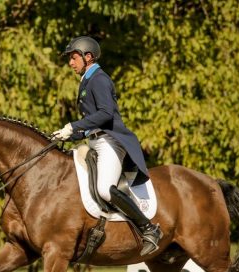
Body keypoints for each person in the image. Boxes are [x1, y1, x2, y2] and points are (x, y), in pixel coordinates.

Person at [53, 36, 162, 256]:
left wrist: (73, 126)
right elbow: (92, 123)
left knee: (104, 188)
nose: (70, 63)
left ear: (88, 57)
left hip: (110, 141)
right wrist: (70, 135)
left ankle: (149, 229)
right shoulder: (87, 80)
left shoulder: (99, 79)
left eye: (74, 58)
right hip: (96, 139)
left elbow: (105, 114)